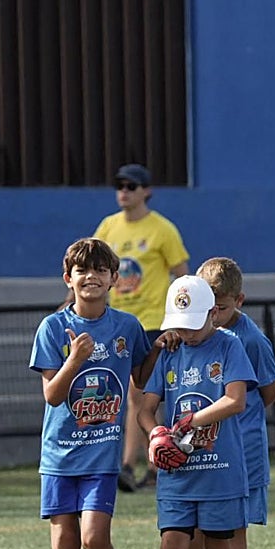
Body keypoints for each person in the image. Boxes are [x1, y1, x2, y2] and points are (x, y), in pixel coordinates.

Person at [29, 238, 157, 549]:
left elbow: (143, 374)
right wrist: (75, 359)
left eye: (101, 270)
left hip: (102, 455)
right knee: (64, 542)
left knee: (93, 537)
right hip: (59, 456)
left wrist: (164, 344)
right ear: (69, 278)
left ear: (114, 280)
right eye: (82, 270)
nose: (92, 277)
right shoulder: (52, 328)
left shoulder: (126, 327)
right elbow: (52, 395)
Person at [118, 275, 256, 549]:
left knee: (217, 547)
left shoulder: (229, 346)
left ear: (213, 313)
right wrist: (156, 433)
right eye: (179, 324)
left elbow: (235, 400)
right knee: (172, 544)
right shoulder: (170, 351)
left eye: (193, 323)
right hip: (177, 474)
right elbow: (145, 409)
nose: (185, 332)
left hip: (220, 470)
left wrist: (192, 420)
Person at [182, 258, 275, 549]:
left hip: (242, 449)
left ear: (238, 300)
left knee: (232, 529)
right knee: (191, 537)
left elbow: (269, 392)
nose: (215, 314)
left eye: (222, 306)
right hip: (202, 450)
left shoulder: (250, 340)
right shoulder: (193, 336)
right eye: (209, 306)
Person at [94, 163, 190, 491]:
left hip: (151, 324)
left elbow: (182, 275)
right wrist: (69, 304)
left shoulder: (162, 229)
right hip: (116, 323)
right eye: (119, 185)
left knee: (140, 395)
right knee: (126, 396)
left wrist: (180, 319)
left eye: (131, 186)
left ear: (146, 191)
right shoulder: (108, 227)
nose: (124, 191)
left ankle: (131, 464)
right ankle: (153, 463)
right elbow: (89, 267)